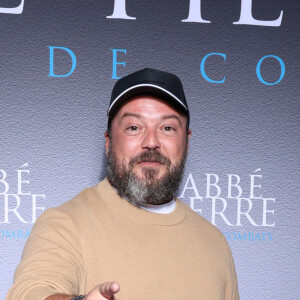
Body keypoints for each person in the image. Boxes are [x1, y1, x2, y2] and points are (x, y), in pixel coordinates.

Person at [6, 68, 239, 300]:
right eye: (134, 127)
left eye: (167, 128)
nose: (151, 142)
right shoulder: (66, 224)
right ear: (108, 141)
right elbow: (31, 291)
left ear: (186, 141)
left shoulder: (215, 242)